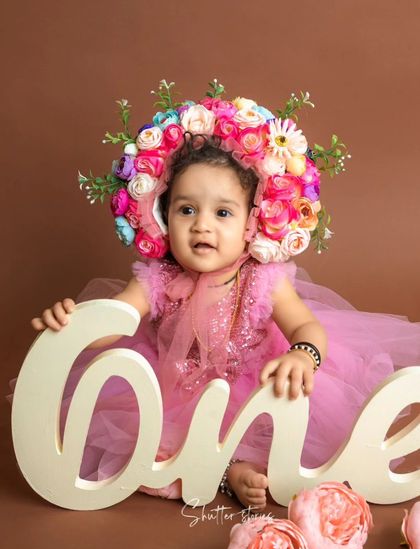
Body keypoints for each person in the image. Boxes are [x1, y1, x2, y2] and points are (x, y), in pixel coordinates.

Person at [29, 81, 420, 509]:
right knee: (150, 442)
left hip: (254, 383)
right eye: (186, 209)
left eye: (222, 213)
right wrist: (77, 322)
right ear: (162, 216)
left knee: (284, 420)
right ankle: (226, 472)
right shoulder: (156, 278)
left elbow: (307, 325)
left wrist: (302, 354)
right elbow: (116, 318)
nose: (202, 226)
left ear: (252, 224)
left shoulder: (263, 279)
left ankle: (233, 465)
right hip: (177, 390)